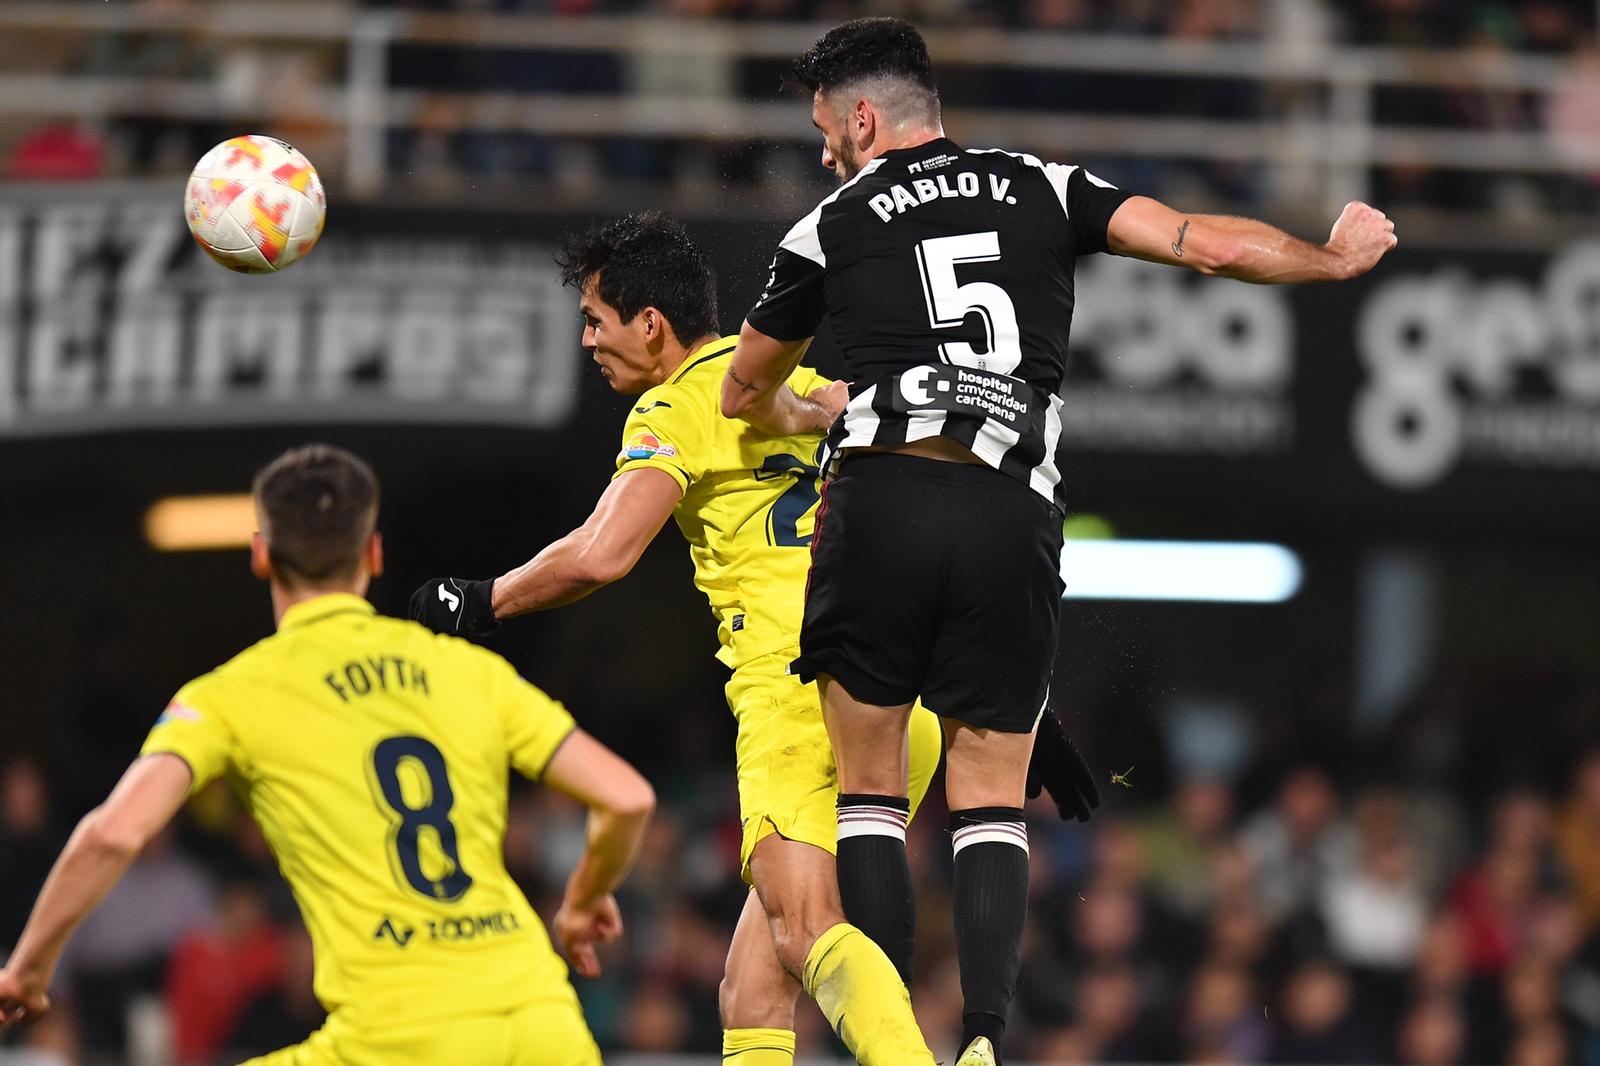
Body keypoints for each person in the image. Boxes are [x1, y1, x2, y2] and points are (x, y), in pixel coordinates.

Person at [720, 18, 1398, 1066]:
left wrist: (805, 413)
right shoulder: (1042, 183)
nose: (823, 154)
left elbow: (742, 387)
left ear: (863, 117)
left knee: (868, 793)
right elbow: (1201, 241)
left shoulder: (833, 221)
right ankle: (986, 1040)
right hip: (1007, 510)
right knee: (991, 796)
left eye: (825, 131)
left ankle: (892, 1042)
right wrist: (1329, 258)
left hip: (883, 501)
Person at [410, 213, 966, 1066]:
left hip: (798, 693)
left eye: (596, 319)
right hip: (899, 696)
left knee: (805, 928)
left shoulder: (676, 405)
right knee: (749, 985)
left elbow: (602, 555)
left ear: (651, 325)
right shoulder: (798, 386)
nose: (587, 340)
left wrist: (479, 602)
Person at [0, 445, 654, 1066]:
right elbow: (627, 797)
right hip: (544, 1024)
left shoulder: (233, 695)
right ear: (372, 553)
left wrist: (29, 969)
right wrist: (580, 900)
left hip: (400, 1037)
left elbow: (114, 833)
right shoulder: (464, 669)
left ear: (260, 556)